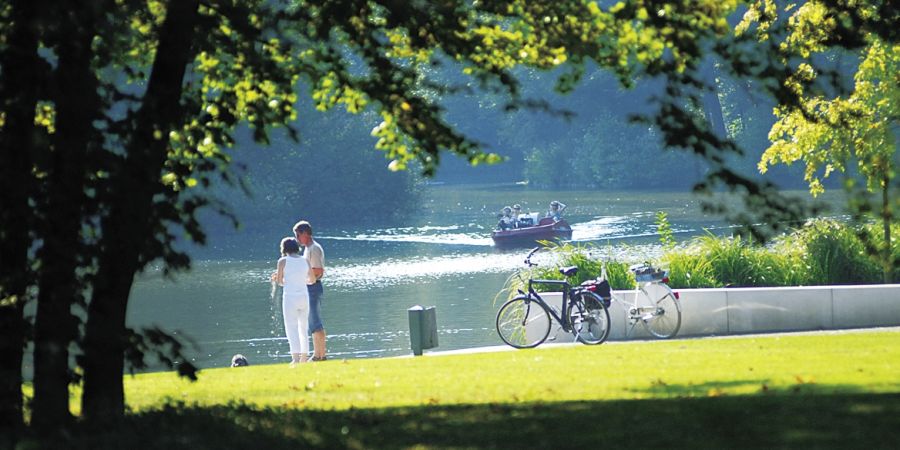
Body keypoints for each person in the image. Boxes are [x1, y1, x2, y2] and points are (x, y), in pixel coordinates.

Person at [271, 237, 310, 366]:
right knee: (303, 328)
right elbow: (312, 280)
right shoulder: (305, 260)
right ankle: (304, 357)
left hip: (290, 298)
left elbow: (281, 282)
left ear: (284, 249)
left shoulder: (282, 261)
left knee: (291, 327)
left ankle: (295, 358)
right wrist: (300, 281)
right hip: (304, 296)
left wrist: (277, 278)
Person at [294, 220, 327, 361]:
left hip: (313, 288)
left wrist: (300, 274)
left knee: (315, 322)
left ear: (305, 233)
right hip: (309, 287)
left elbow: (318, 270)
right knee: (312, 322)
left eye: (298, 235)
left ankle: (321, 354)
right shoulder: (308, 249)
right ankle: (317, 354)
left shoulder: (314, 248)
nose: (296, 238)